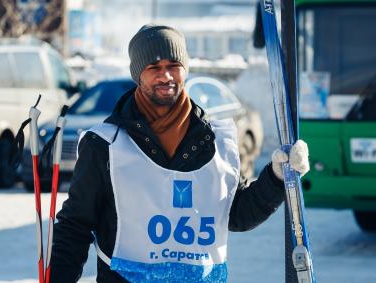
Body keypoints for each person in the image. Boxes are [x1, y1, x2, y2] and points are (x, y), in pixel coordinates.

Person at [50, 24, 310, 283]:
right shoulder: (106, 144)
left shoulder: (215, 141)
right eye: (153, 67)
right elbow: (75, 226)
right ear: (138, 74)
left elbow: (236, 214)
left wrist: (276, 179)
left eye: (173, 64)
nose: (166, 75)